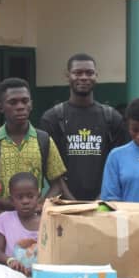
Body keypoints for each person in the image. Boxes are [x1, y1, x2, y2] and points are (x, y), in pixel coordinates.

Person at [38, 54, 128, 201]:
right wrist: (70, 201)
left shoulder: (112, 118)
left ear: (96, 76)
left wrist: (101, 199)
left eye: (89, 73)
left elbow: (119, 164)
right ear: (68, 76)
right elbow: (51, 169)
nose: (84, 77)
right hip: (64, 203)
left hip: (104, 203)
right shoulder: (52, 118)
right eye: (78, 73)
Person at [0, 77, 68, 213]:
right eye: (13, 102)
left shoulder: (43, 140)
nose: (20, 107)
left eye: (24, 101)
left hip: (35, 223)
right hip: (1, 223)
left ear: (31, 104)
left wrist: (40, 205)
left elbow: (57, 184)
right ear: (1, 107)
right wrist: (11, 206)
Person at [0, 172, 41, 275]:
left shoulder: (46, 222)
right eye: (20, 197)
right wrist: (11, 261)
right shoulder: (4, 219)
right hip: (13, 277)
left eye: (30, 196)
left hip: (40, 277)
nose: (25, 201)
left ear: (38, 196)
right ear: (11, 200)